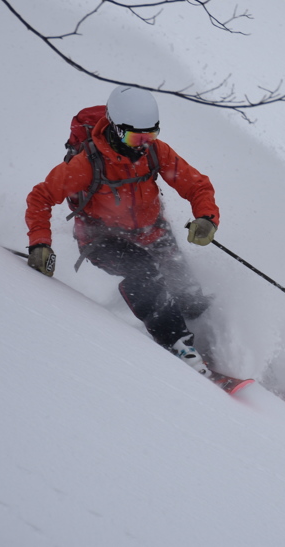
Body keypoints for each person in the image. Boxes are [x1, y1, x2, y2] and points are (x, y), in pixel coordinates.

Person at [25, 85, 220, 376]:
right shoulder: (87, 165)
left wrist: (205, 217)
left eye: (150, 135)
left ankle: (211, 348)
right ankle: (178, 345)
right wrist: (40, 243)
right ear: (116, 129)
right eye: (135, 137)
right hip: (103, 240)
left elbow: (196, 184)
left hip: (154, 233)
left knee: (189, 295)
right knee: (145, 272)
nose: (143, 144)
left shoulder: (155, 152)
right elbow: (41, 197)